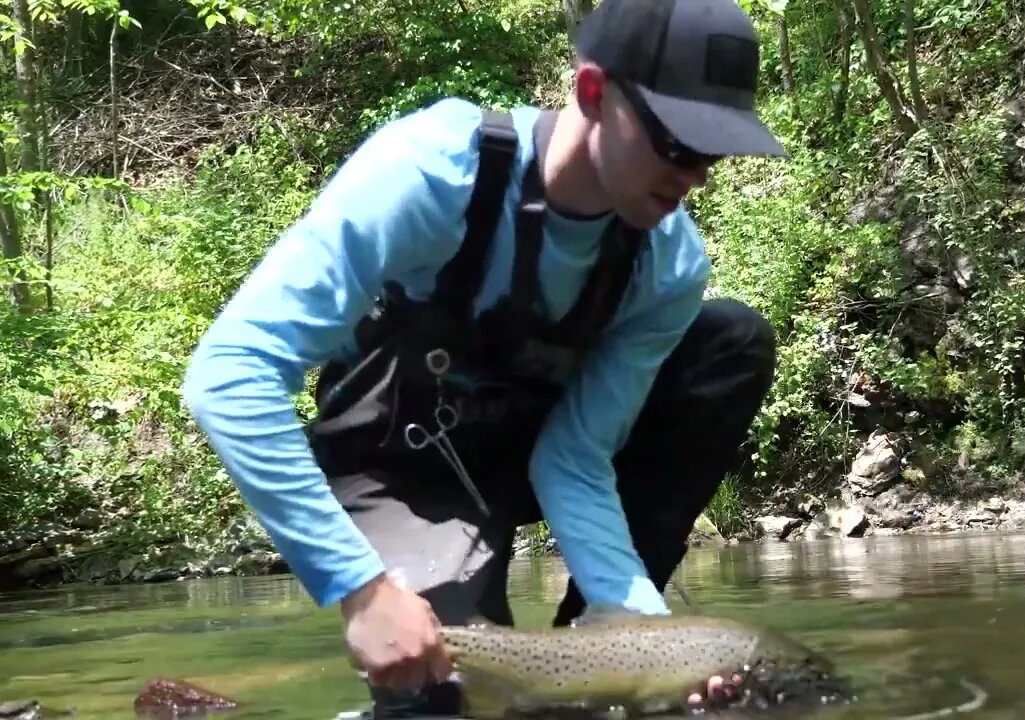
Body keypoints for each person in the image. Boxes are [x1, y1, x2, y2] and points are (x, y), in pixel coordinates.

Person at [181, 0, 788, 716]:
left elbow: (574, 458)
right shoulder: (432, 173)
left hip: (528, 457)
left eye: (713, 153)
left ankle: (592, 671)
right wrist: (361, 589)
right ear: (593, 93)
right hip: (398, 465)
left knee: (731, 341)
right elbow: (231, 374)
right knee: (440, 696)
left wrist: (646, 638)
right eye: (678, 143)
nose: (695, 175)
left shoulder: (668, 264)